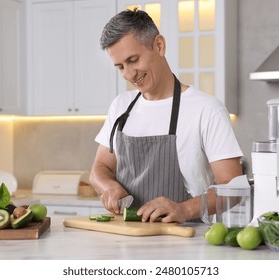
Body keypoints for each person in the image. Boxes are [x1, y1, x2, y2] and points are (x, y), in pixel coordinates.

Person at [89, 8, 243, 224]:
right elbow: (99, 169)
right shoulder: (121, 107)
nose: (129, 74)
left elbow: (233, 187)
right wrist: (109, 187)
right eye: (120, 67)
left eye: (133, 60)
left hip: (188, 240)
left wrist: (184, 209)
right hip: (128, 239)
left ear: (159, 45)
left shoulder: (207, 109)